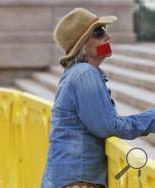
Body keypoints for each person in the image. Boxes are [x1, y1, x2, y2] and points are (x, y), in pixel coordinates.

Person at [41, 8, 155, 188]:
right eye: (99, 32)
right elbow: (107, 126)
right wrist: (151, 118)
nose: (107, 37)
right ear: (82, 46)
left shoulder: (78, 73)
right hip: (76, 182)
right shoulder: (85, 74)